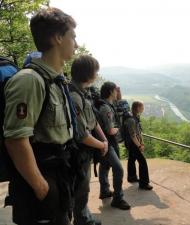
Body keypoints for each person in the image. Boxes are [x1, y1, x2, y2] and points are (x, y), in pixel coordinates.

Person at [3, 7, 78, 225]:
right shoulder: (30, 80)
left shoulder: (56, 80)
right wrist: (41, 187)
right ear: (57, 38)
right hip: (42, 180)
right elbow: (16, 139)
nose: (76, 42)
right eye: (72, 36)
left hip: (58, 174)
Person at [69, 55, 108, 225]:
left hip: (84, 152)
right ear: (88, 74)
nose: (97, 75)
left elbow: (92, 120)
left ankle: (83, 216)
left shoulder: (83, 93)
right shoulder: (75, 97)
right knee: (81, 189)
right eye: (95, 72)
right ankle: (82, 220)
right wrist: (102, 144)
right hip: (78, 153)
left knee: (82, 188)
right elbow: (82, 135)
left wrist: (103, 139)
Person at [94, 81, 131, 210]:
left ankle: (104, 191)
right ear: (110, 92)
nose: (117, 93)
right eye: (115, 90)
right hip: (107, 142)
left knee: (104, 166)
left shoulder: (106, 104)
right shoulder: (106, 108)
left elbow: (118, 101)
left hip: (104, 141)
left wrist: (119, 93)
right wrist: (117, 128)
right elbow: (110, 130)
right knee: (118, 169)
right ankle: (118, 198)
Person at [124, 101, 153, 190]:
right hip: (133, 144)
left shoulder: (135, 117)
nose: (143, 109)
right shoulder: (132, 120)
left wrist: (142, 142)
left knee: (132, 159)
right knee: (142, 161)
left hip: (134, 143)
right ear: (137, 108)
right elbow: (133, 135)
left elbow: (138, 132)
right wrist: (139, 145)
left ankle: (131, 177)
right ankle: (144, 183)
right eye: (142, 107)